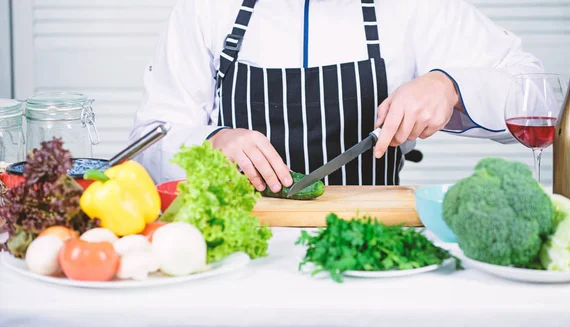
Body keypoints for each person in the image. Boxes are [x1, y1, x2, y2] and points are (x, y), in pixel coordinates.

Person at [129, 0, 543, 192]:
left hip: (368, 247)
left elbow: (538, 96)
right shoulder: (204, 9)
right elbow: (148, 143)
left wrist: (449, 85)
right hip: (235, 258)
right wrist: (211, 143)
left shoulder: (416, 8)